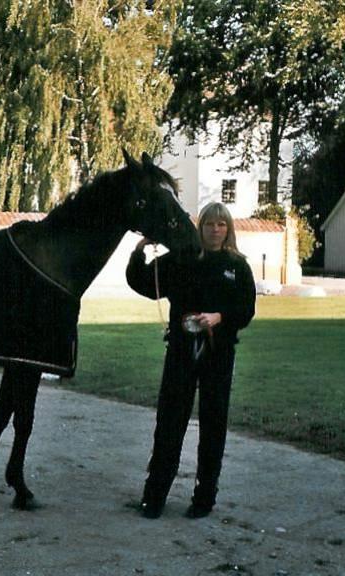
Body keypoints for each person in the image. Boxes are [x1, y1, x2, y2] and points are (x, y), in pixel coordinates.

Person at [126, 201, 255, 519]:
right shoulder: (182, 260)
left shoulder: (237, 266)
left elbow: (246, 310)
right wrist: (140, 250)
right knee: (169, 423)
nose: (215, 229)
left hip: (218, 355)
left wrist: (219, 316)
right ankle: (154, 497)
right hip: (181, 354)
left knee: (213, 426)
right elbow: (142, 282)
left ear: (228, 230)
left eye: (221, 225)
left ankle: (204, 499)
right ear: (202, 228)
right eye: (210, 224)